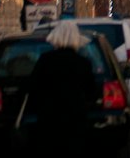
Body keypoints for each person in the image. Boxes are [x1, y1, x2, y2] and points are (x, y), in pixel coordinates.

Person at [23, 21, 98, 156]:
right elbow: (91, 92)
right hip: (75, 121)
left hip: (49, 121)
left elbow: (33, 87)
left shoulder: (45, 60)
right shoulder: (83, 63)